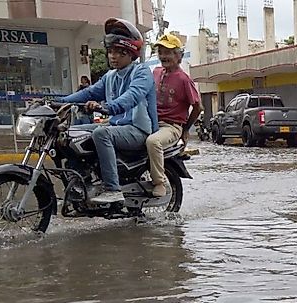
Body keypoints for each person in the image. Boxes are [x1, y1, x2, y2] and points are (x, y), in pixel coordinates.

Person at [59, 18, 158, 204]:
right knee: (70, 134)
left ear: (130, 53)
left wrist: (106, 107)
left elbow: (132, 96)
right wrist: (58, 102)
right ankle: (80, 184)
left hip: (138, 129)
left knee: (101, 133)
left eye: (119, 52)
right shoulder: (110, 76)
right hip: (117, 127)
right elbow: (89, 92)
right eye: (110, 51)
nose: (113, 56)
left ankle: (113, 189)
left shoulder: (142, 72)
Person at [145, 33, 201, 197]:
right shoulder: (155, 72)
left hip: (171, 126)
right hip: (151, 122)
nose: (163, 56)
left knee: (153, 142)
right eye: (160, 52)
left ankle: (159, 182)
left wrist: (184, 130)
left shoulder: (184, 79)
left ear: (179, 56)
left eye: (168, 52)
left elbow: (197, 107)